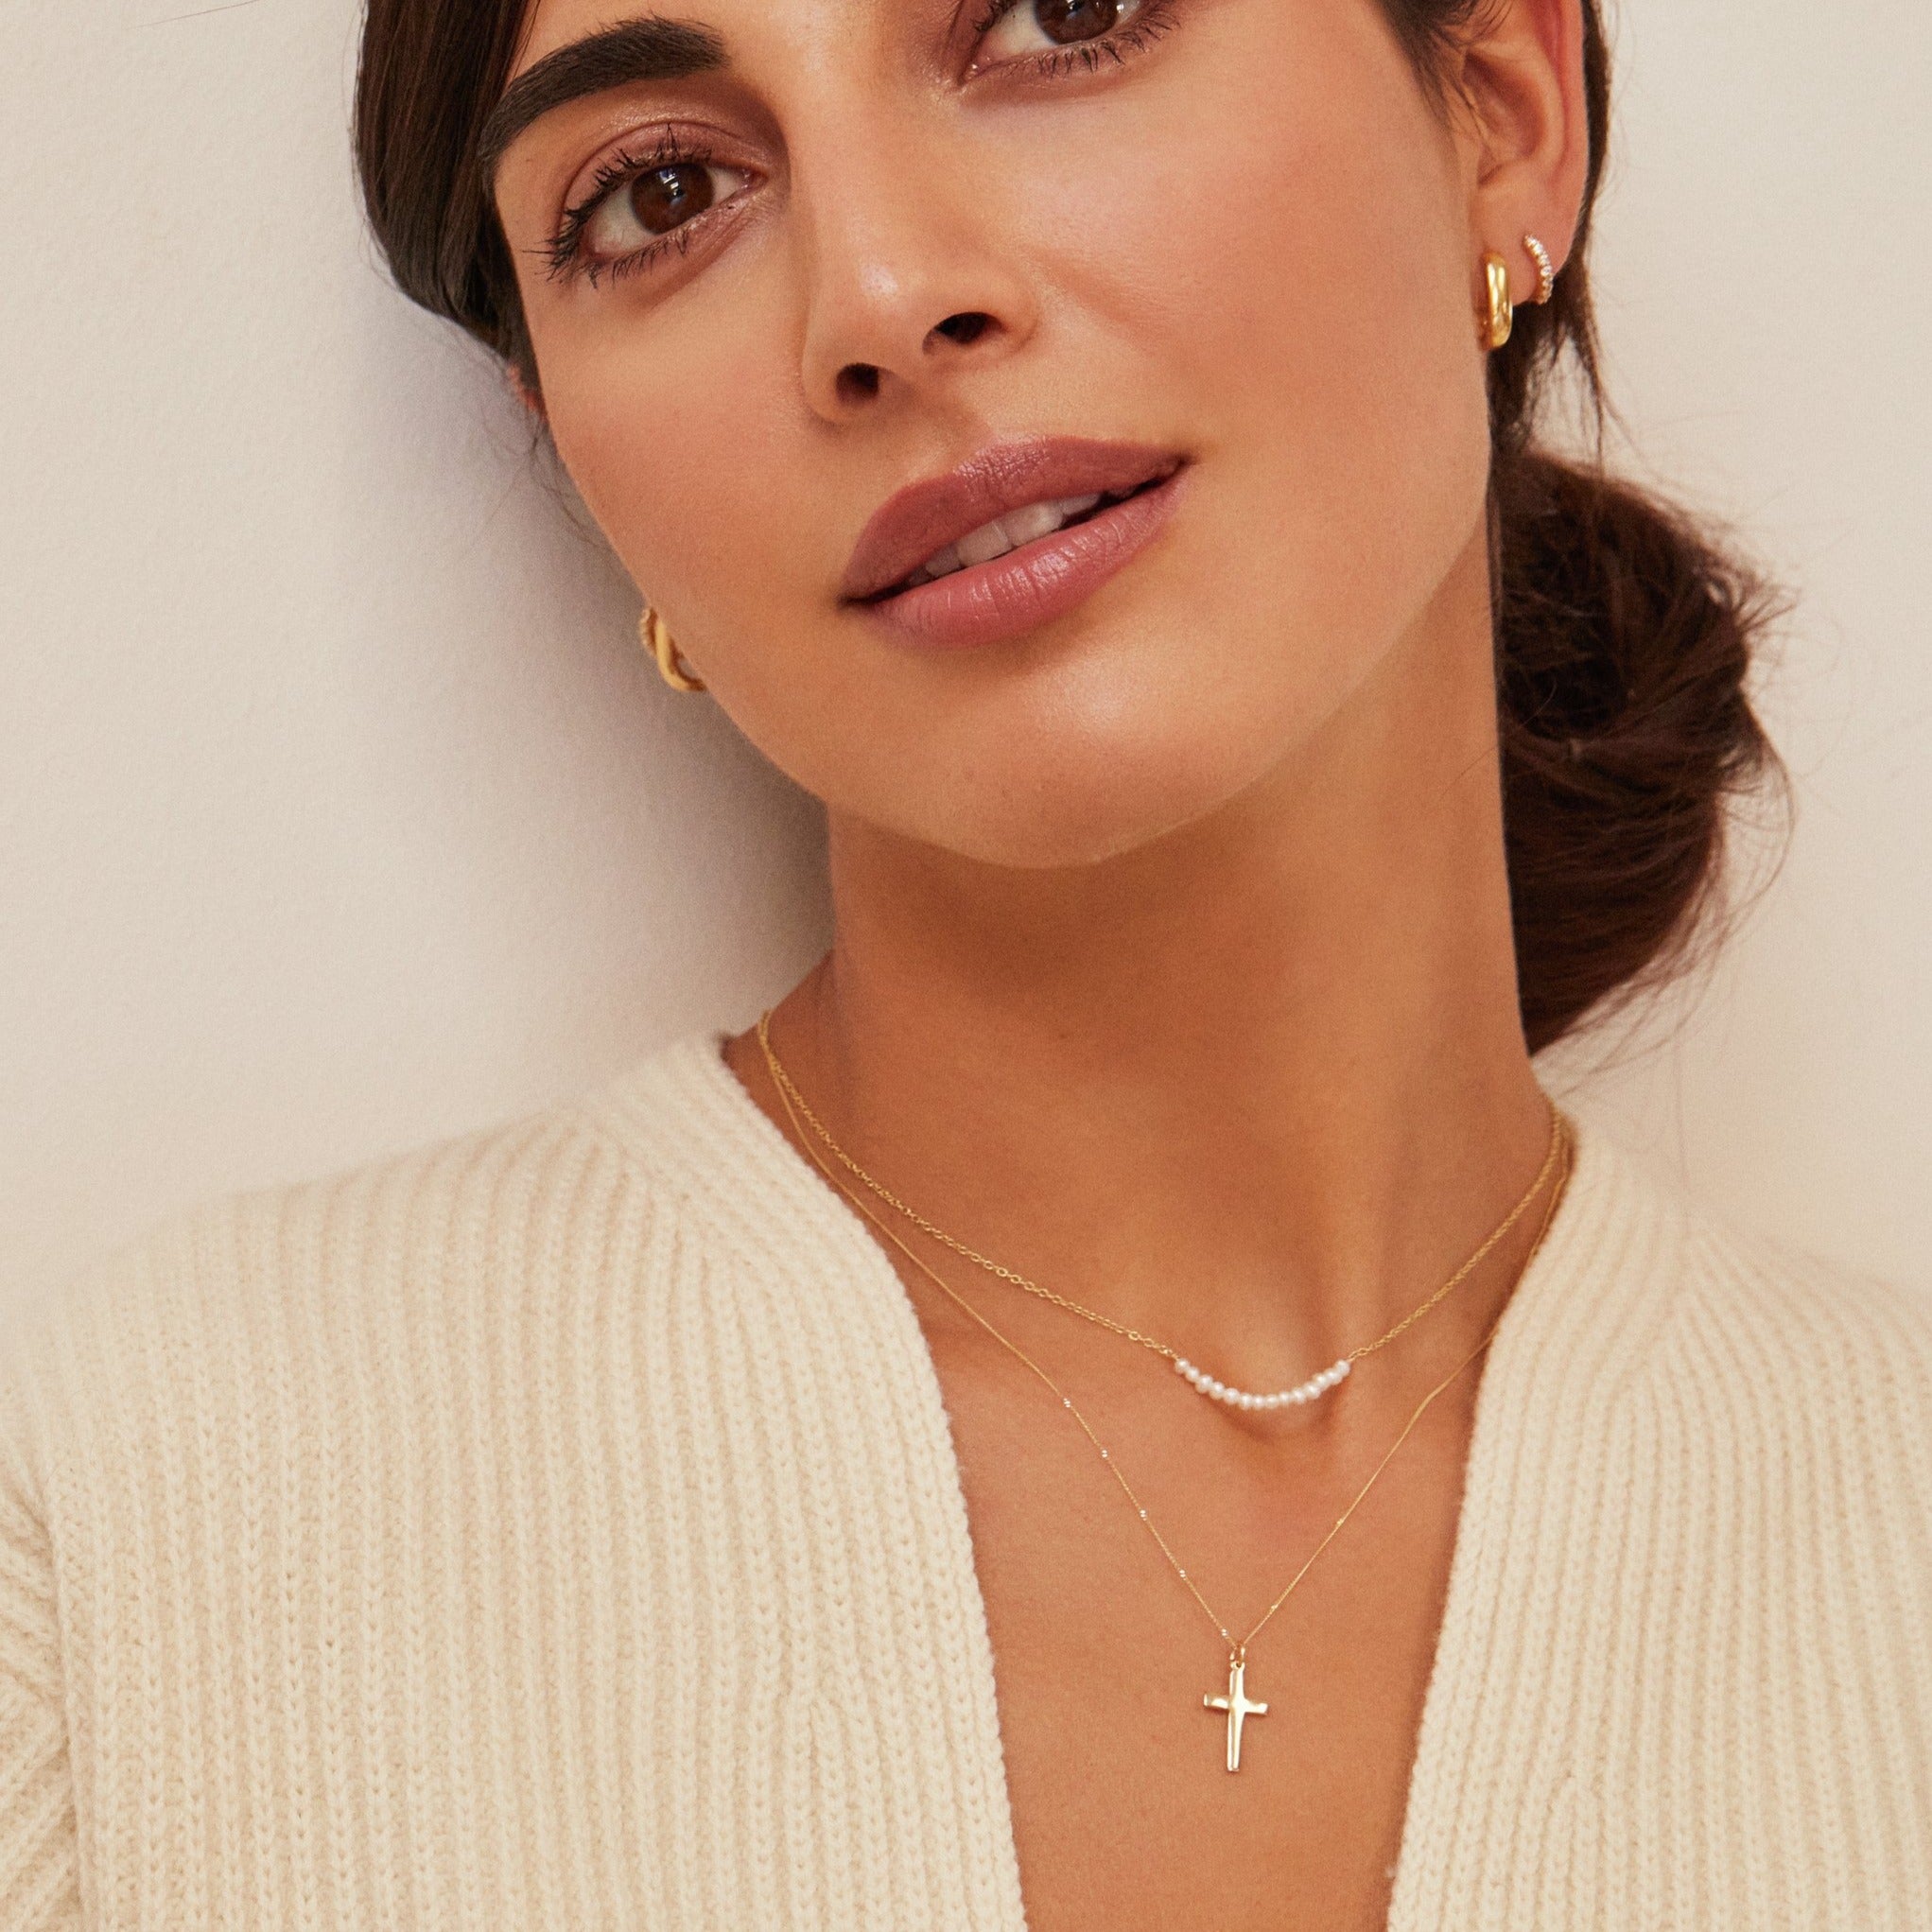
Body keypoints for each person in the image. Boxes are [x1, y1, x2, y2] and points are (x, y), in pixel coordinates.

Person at [3, 0, 1927, 1925]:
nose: (882, 294)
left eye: (1060, 19)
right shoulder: (136, 1532)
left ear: (1501, 113)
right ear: (578, 457)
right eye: (657, 191)